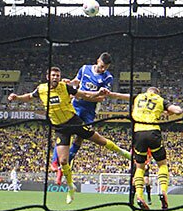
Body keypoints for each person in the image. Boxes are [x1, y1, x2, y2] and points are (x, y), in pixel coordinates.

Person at [8, 66, 130, 204]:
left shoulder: (65, 87)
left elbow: (84, 94)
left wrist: (97, 93)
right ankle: (71, 187)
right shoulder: (41, 89)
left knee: (99, 140)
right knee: (63, 161)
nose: (55, 77)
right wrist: (17, 97)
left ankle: (123, 152)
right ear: (48, 77)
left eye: (57, 75)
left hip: (74, 121)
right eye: (53, 75)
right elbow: (30, 97)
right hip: (60, 128)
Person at [51, 52, 129, 183]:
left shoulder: (108, 77)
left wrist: (86, 96)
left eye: (105, 68)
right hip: (76, 106)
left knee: (80, 138)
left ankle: (62, 167)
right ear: (98, 60)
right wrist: (70, 82)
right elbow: (77, 81)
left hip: (90, 111)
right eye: (102, 66)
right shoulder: (85, 68)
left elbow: (101, 98)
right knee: (65, 130)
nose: (103, 69)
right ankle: (55, 162)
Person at [129, 87, 183, 210]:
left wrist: (109, 94)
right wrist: (169, 111)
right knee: (162, 164)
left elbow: (122, 96)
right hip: (153, 132)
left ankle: (139, 195)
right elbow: (178, 111)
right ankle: (163, 191)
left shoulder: (138, 97)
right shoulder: (160, 100)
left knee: (139, 167)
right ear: (157, 93)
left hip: (138, 133)